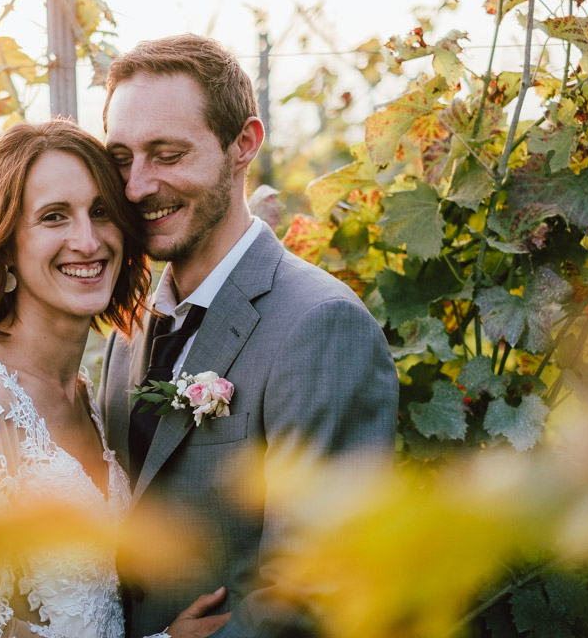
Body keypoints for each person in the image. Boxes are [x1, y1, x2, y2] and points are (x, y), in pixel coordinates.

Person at [99, 34, 399, 638]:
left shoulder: (320, 327)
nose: (136, 186)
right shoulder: (129, 324)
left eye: (167, 154)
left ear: (244, 144)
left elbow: (316, 588)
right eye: (122, 157)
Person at [0, 120, 225, 638]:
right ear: (6, 246)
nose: (88, 239)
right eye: (54, 216)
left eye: (101, 212)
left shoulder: (84, 392)